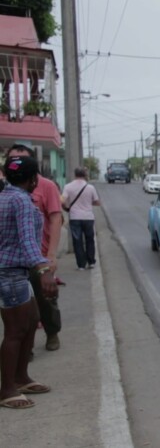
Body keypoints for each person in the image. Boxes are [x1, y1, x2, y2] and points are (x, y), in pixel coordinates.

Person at [0, 156, 57, 409]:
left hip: (16, 271)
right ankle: (7, 389)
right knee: (15, 331)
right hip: (11, 272)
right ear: (34, 178)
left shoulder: (5, 196)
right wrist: (44, 270)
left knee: (32, 319)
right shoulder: (21, 200)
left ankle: (21, 377)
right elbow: (27, 240)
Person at [7, 145, 63, 351]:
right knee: (21, 310)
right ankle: (24, 351)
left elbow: (56, 219)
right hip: (13, 263)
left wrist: (51, 255)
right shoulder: (8, 192)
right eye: (13, 160)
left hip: (39, 256)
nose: (17, 165)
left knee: (46, 299)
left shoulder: (46, 187)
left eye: (22, 160)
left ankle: (52, 332)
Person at [62, 167, 101, 271]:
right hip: (88, 217)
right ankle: (91, 261)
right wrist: (89, 203)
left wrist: (66, 208)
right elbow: (97, 202)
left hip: (75, 217)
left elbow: (62, 200)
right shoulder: (90, 187)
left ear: (75, 174)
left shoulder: (68, 186)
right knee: (89, 239)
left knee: (77, 241)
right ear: (85, 175)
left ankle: (81, 265)